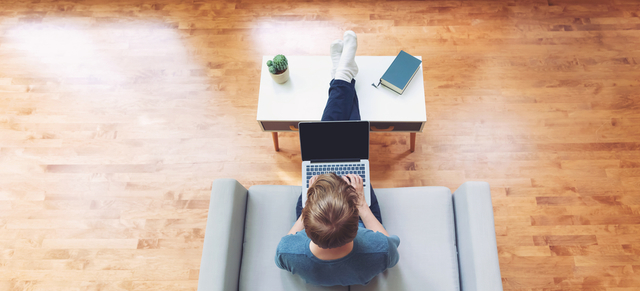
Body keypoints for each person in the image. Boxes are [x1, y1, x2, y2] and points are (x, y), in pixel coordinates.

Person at [274, 31, 400, 286]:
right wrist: (363, 205)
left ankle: (342, 74)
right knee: (345, 147)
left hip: (324, 219)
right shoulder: (377, 248)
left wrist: (308, 207)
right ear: (358, 228)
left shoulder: (291, 252)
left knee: (329, 140)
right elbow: (390, 249)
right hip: (346, 218)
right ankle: (342, 75)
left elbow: (282, 251)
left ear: (307, 231)